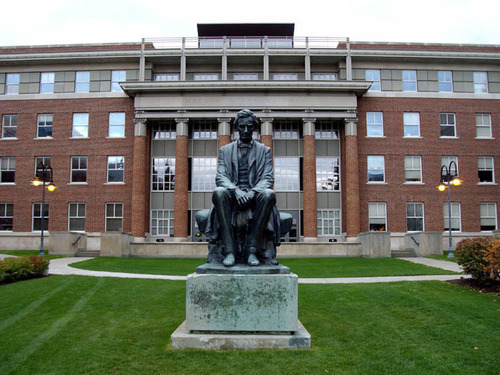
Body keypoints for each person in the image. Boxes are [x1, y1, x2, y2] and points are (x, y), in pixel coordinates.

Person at [205, 109, 278, 266]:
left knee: (269, 194)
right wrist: (236, 191)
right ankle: (229, 251)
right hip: (232, 194)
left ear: (254, 128)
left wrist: (252, 193)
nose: (246, 131)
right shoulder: (225, 150)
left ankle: (252, 250)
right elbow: (221, 176)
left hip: (255, 194)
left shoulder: (264, 150)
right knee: (219, 192)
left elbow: (267, 177)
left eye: (249, 127)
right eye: (242, 127)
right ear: (237, 127)